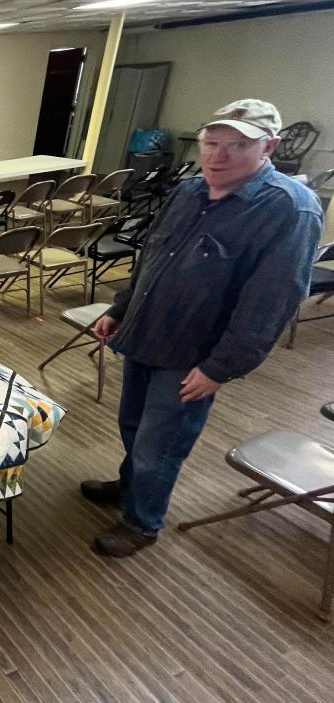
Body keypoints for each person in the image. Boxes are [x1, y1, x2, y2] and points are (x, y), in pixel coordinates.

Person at [81, 99, 322, 557]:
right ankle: (131, 486)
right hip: (147, 334)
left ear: (268, 147)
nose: (218, 155)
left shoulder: (290, 209)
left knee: (161, 442)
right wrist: (120, 308)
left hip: (193, 356)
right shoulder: (189, 190)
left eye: (237, 146)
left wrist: (219, 369)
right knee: (134, 425)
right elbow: (153, 257)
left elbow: (270, 303)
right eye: (212, 143)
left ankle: (141, 522)